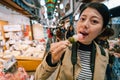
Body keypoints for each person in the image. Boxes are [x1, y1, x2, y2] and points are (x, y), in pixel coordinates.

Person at [35, 2, 110, 80]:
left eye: (94, 21)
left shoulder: (103, 55)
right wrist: (51, 61)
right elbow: (38, 77)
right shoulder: (63, 49)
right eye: (83, 19)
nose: (85, 24)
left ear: (102, 30)